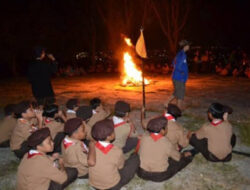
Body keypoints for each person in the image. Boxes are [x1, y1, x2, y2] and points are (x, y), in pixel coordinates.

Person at [137, 116, 193, 182]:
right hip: (158, 176)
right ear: (162, 130)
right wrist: (184, 154)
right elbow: (177, 157)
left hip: (141, 173)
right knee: (183, 159)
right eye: (166, 127)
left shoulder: (144, 137)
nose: (167, 129)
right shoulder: (166, 142)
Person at [89, 119, 139, 190]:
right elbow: (120, 167)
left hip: (94, 185)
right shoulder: (116, 150)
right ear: (109, 137)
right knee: (135, 159)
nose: (114, 132)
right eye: (113, 131)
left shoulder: (91, 148)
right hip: (113, 186)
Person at [165, 40, 191, 110]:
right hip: (179, 78)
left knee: (176, 92)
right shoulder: (183, 55)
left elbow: (173, 63)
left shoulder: (179, 54)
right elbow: (178, 66)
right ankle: (178, 110)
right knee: (180, 95)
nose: (189, 47)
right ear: (185, 46)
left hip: (176, 77)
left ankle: (166, 103)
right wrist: (182, 72)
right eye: (188, 45)